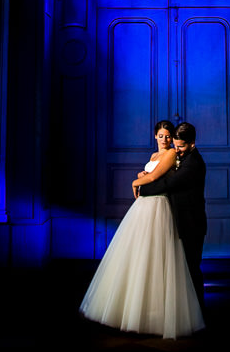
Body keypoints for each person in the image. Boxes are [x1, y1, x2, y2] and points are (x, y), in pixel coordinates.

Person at [79, 121, 204, 339]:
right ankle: (142, 309)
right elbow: (157, 175)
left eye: (170, 138)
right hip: (147, 209)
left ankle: (189, 315)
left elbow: (162, 181)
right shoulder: (164, 155)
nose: (167, 141)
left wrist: (138, 184)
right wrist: (141, 177)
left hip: (173, 212)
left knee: (180, 265)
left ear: (190, 144)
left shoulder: (183, 159)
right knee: (141, 258)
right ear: (155, 136)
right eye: (162, 136)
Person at [135, 121, 206, 308]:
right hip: (181, 219)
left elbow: (168, 185)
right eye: (175, 145)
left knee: (191, 270)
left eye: (181, 146)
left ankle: (197, 313)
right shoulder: (183, 157)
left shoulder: (193, 164)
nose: (177, 150)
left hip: (191, 224)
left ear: (192, 143)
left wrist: (139, 186)